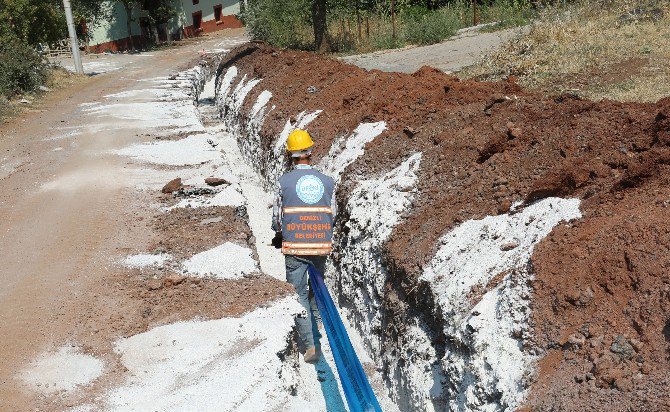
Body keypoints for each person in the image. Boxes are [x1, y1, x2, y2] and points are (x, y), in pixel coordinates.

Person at [271, 129, 336, 364]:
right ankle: (315, 329)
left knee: (296, 293)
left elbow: (278, 217)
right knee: (315, 289)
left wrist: (279, 233)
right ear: (311, 151)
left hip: (295, 247)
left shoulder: (283, 182)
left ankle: (309, 345)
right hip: (320, 244)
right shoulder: (327, 182)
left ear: (291, 155)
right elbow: (333, 214)